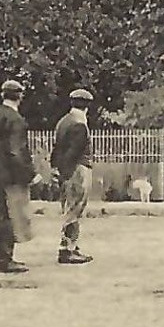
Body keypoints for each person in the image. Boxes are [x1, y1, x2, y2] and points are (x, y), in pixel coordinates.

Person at [0, 79, 38, 273]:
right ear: (20, 96)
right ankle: (5, 259)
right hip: (10, 177)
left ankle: (2, 257)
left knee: (1, 216)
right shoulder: (15, 120)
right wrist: (30, 174)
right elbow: (16, 151)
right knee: (10, 217)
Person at [51, 88, 95, 265]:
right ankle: (67, 249)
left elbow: (57, 148)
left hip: (66, 171)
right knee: (74, 209)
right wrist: (68, 173)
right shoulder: (80, 124)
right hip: (77, 170)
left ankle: (71, 246)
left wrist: (57, 170)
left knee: (69, 207)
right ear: (87, 106)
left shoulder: (63, 121)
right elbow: (73, 152)